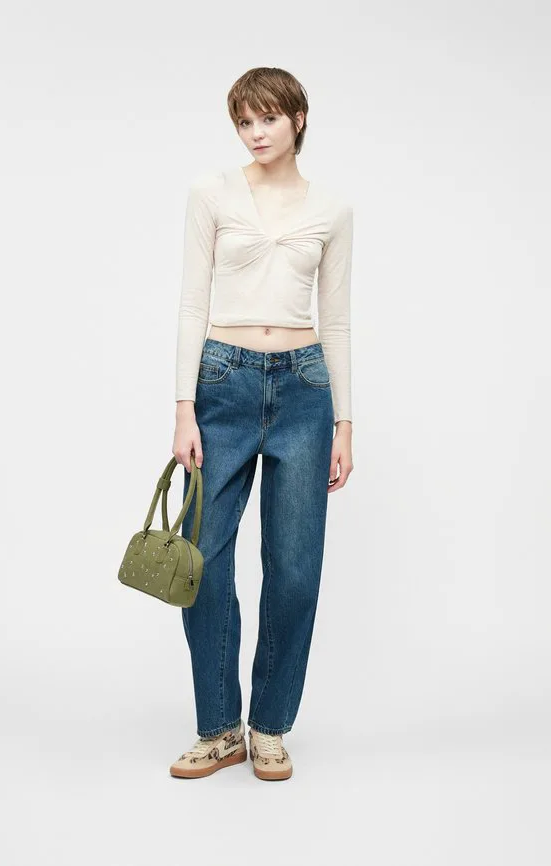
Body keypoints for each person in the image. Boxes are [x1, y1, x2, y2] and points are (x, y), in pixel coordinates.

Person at [169, 66, 354, 781]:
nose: (256, 133)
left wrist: (344, 422)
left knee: (296, 570)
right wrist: (183, 406)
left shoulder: (332, 208)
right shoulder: (211, 193)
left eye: (268, 118)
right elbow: (192, 303)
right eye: (245, 121)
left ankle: (269, 726)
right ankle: (219, 727)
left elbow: (336, 318)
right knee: (202, 559)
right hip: (223, 381)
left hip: (305, 387)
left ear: (297, 118)